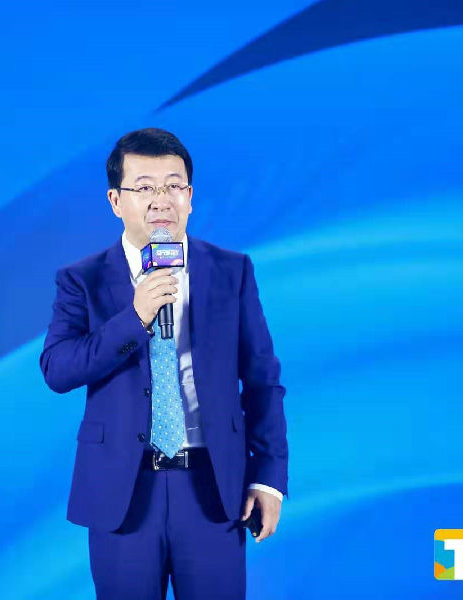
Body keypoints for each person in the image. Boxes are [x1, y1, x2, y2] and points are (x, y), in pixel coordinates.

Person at [39, 127, 288, 599]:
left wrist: (269, 478)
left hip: (213, 489)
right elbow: (58, 368)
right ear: (116, 201)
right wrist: (134, 318)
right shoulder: (82, 280)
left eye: (174, 185)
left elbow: (262, 381)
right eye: (145, 187)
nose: (161, 200)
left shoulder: (231, 271)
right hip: (123, 492)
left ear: (189, 197)